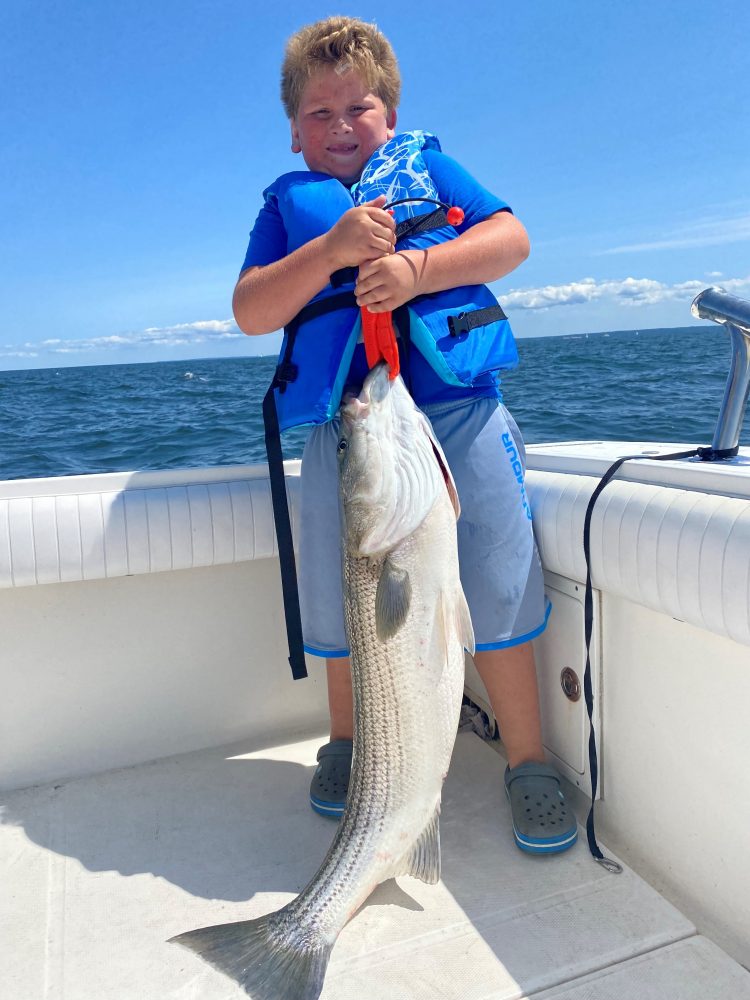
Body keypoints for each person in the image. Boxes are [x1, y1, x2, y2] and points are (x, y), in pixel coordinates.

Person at [233, 15, 577, 856]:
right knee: (345, 595)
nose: (341, 127)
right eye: (320, 114)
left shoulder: (431, 167)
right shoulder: (287, 209)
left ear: (389, 114)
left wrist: (418, 269)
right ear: (293, 130)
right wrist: (333, 253)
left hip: (457, 408)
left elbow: (511, 238)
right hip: (350, 432)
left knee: (496, 576)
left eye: (359, 109)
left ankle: (526, 757)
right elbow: (251, 310)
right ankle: (351, 745)